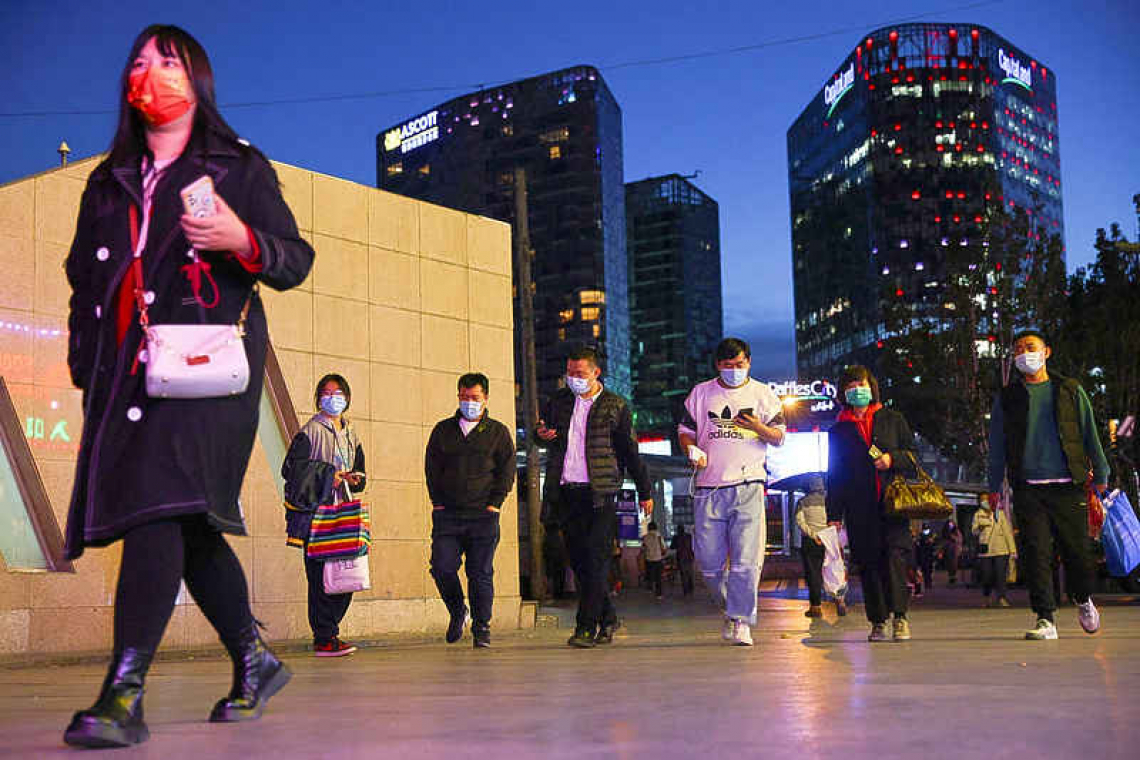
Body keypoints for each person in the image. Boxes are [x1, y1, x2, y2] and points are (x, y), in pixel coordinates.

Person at [59, 26, 313, 748]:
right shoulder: (107, 181)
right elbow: (84, 282)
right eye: (139, 63)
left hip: (207, 374)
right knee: (187, 524)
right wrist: (86, 363)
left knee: (155, 516)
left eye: (167, 62)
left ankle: (123, 692)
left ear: (196, 78)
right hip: (129, 379)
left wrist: (243, 241)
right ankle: (255, 659)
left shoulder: (238, 168)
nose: (150, 74)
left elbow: (295, 260)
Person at [988, 329, 1110, 640]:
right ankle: (1045, 617)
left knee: (1077, 552)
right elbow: (997, 445)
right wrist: (993, 486)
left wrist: (1103, 474)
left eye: (1030, 347)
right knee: (1035, 553)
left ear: (1046, 352)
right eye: (1018, 349)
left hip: (1068, 484)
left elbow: (1089, 432)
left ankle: (1082, 599)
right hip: (1028, 487)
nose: (1023, 353)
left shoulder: (1069, 390)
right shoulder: (1007, 398)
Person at [536, 346, 653, 648]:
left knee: (597, 559)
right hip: (566, 492)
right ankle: (609, 617)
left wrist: (645, 490)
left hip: (600, 493)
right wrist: (541, 434)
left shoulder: (615, 405)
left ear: (595, 372)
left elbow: (629, 450)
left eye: (580, 373)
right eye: (570, 373)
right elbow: (541, 432)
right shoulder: (558, 402)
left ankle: (585, 626)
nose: (573, 379)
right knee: (579, 561)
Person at [677, 338, 786, 646]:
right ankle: (730, 607)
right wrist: (691, 449)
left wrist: (756, 427)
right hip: (708, 487)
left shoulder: (763, 395)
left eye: (739, 365)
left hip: (749, 484)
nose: (734, 371)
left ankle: (740, 620)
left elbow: (778, 437)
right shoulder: (701, 393)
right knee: (709, 564)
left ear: (749, 362)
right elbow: (685, 431)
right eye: (727, 366)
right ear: (717, 366)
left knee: (746, 561)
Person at [825, 365, 918, 643]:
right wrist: (834, 513)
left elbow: (913, 456)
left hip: (893, 503)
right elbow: (836, 474)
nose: (856, 390)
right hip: (859, 507)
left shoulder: (892, 419)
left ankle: (900, 616)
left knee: (894, 559)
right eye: (850, 386)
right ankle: (878, 620)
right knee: (867, 564)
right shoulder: (839, 430)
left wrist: (892, 460)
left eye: (861, 384)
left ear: (872, 386)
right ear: (843, 392)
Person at [424, 373, 516, 648]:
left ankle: (481, 627)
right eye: (464, 397)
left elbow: (507, 470)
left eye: (474, 398)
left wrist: (495, 504)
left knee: (480, 573)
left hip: (483, 516)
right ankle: (457, 611)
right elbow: (432, 469)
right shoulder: (443, 430)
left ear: (485, 398)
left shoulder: (498, 432)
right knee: (442, 566)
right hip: (447, 515)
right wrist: (437, 502)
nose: (469, 402)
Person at [283, 375, 367, 656]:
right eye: (327, 393)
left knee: (347, 575)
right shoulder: (310, 432)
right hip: (317, 516)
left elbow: (360, 469)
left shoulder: (351, 432)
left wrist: (355, 479)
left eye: (339, 392)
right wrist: (329, 476)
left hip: (344, 513)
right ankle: (324, 637)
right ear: (318, 398)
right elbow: (292, 470)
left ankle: (329, 631)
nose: (333, 398)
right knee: (320, 577)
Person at [795, 474, 847, 617]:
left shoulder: (802, 502)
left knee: (814, 574)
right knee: (834, 570)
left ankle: (816, 607)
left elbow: (800, 521)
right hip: (829, 539)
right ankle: (839, 598)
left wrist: (813, 535)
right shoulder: (829, 501)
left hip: (811, 542)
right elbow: (837, 520)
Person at [971, 502, 1016, 607]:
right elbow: (974, 532)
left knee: (1000, 575)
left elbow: (1007, 532)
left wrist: (1012, 550)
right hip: (985, 550)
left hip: (1001, 549)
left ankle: (1001, 598)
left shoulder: (1000, 514)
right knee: (986, 576)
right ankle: (986, 597)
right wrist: (979, 529)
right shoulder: (978, 514)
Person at [642, 521, 668, 599]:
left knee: (650, 575)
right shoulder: (659, 536)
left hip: (649, 559)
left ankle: (649, 588)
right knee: (658, 578)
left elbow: (643, 548)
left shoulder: (645, 537)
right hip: (658, 559)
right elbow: (663, 548)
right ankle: (659, 594)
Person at [670, 524, 696, 596]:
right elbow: (693, 546)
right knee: (690, 574)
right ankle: (691, 590)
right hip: (690, 557)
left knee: (683, 575)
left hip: (681, 558)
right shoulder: (689, 536)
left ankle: (686, 592)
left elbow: (672, 547)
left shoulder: (675, 537)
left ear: (678, 530)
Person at [941, 520, 964, 585]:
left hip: (955, 549)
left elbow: (960, 539)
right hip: (948, 549)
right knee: (949, 563)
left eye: (952, 524)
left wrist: (954, 538)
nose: (951, 526)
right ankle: (951, 576)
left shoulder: (956, 531)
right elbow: (944, 541)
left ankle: (953, 576)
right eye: (950, 524)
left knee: (954, 563)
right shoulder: (945, 532)